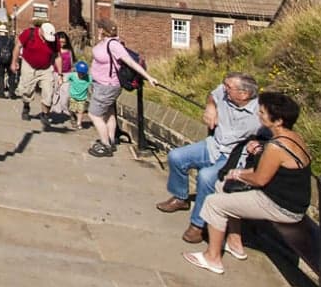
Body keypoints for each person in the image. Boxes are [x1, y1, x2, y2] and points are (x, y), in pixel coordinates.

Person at [184, 92, 313, 273]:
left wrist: (239, 174)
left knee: (214, 203)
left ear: (278, 121)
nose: (258, 114)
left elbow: (260, 179)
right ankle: (234, 242)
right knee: (223, 185)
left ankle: (212, 258)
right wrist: (238, 172)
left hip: (282, 206)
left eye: (262, 112)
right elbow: (273, 169)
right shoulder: (293, 138)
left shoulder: (276, 146)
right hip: (288, 200)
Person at [156, 72, 265, 243]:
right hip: (213, 146)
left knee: (206, 177)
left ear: (244, 94)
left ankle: (199, 225)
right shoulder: (224, 91)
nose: (224, 89)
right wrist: (210, 106)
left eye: (229, 87)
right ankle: (180, 197)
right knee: (176, 156)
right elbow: (213, 95)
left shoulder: (261, 113)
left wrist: (258, 144)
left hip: (235, 156)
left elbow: (274, 136)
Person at [87, 19, 153, 157]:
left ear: (102, 30)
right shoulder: (105, 42)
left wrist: (148, 77)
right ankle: (111, 140)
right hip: (103, 84)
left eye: (99, 28)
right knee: (109, 112)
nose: (98, 30)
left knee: (94, 115)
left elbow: (130, 61)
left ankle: (105, 145)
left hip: (107, 86)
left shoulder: (113, 45)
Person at [13, 20, 61, 128]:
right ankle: (26, 105)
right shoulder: (29, 33)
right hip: (29, 65)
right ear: (41, 31)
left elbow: (58, 57)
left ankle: (45, 114)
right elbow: (18, 46)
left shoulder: (54, 40)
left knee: (49, 92)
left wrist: (60, 74)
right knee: (26, 91)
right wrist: (14, 62)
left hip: (46, 68)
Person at [65, 60, 92, 130]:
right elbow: (66, 78)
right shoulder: (73, 75)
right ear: (77, 71)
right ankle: (72, 117)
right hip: (73, 97)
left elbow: (95, 81)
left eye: (83, 73)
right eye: (80, 73)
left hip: (82, 98)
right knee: (72, 110)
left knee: (80, 111)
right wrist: (62, 81)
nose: (82, 75)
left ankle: (79, 123)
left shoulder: (88, 78)